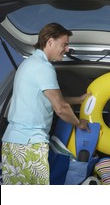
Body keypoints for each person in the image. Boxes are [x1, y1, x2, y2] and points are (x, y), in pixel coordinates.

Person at [1, 22, 90, 185]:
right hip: (30, 144)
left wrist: (79, 100)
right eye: (64, 44)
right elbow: (61, 108)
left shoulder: (28, 64)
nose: (67, 49)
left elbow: (49, 97)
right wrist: (79, 123)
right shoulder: (43, 68)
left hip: (13, 142)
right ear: (50, 41)